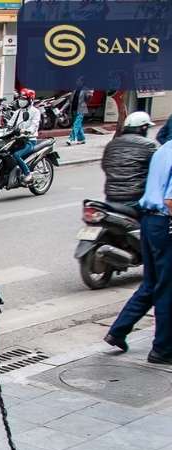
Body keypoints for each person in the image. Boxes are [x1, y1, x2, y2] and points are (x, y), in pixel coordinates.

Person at [104, 138, 172, 364]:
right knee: (166, 289)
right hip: (165, 224)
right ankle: (162, 349)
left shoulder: (164, 148)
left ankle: (118, 331)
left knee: (151, 283)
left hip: (149, 222)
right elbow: (170, 200)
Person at [101, 111, 156, 205]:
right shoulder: (149, 145)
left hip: (111, 196)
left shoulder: (112, 144)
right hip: (135, 198)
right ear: (144, 128)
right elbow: (157, 169)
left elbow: (105, 166)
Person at [7, 88, 41, 184]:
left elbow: (34, 125)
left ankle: (28, 174)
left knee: (16, 155)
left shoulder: (35, 112)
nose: (21, 101)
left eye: (24, 99)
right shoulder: (18, 112)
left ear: (30, 100)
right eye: (20, 99)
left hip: (29, 140)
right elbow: (10, 123)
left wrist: (27, 131)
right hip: (17, 139)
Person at [67, 79, 92, 146]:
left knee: (76, 124)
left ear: (82, 82)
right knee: (78, 125)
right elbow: (71, 99)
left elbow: (88, 99)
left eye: (78, 81)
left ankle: (71, 138)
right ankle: (81, 139)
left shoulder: (86, 89)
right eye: (77, 81)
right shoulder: (75, 89)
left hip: (81, 109)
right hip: (74, 109)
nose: (77, 82)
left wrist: (90, 95)